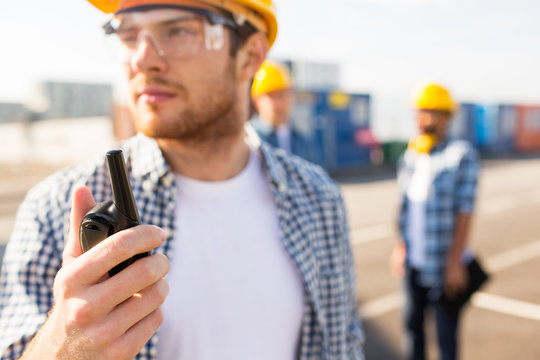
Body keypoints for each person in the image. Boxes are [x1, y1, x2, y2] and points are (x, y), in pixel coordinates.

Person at [0, 1, 364, 359]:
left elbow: (342, 345)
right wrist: (61, 350)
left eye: (177, 31)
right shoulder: (58, 209)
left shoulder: (318, 199)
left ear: (251, 56)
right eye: (128, 34)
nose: (142, 59)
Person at [389, 83, 480, 360]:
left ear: (444, 117)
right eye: (419, 113)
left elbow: (465, 210)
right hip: (414, 263)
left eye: (427, 112)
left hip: (443, 265)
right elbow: (404, 208)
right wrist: (400, 246)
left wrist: (454, 262)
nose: (420, 119)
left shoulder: (461, 155)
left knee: (445, 338)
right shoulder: (412, 155)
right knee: (412, 332)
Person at [251, 59, 317, 162]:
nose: (279, 104)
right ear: (257, 102)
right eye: (272, 96)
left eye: (283, 95)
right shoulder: (250, 140)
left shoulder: (304, 142)